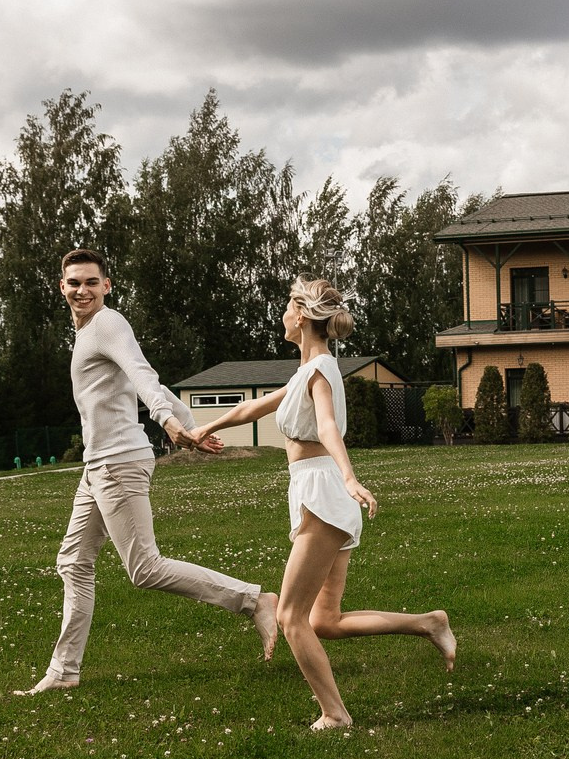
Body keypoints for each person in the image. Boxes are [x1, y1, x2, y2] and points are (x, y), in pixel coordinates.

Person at [189, 277, 454, 731]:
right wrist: (203, 428)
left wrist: (350, 477)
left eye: (286, 308)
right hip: (321, 492)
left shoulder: (320, 372)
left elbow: (329, 426)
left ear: (302, 316)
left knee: (291, 616)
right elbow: (253, 409)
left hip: (324, 492)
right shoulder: (306, 371)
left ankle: (335, 713)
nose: (282, 316)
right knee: (324, 620)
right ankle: (429, 623)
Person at [17, 249, 278, 695]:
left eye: (91, 282)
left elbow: (142, 377)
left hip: (118, 463)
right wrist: (192, 426)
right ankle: (64, 671)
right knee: (73, 562)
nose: (82, 290)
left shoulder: (108, 324)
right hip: (97, 465)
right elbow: (152, 382)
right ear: (61, 287)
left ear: (107, 286)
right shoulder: (85, 334)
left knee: (144, 568)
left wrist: (173, 424)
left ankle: (255, 600)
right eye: (74, 283)